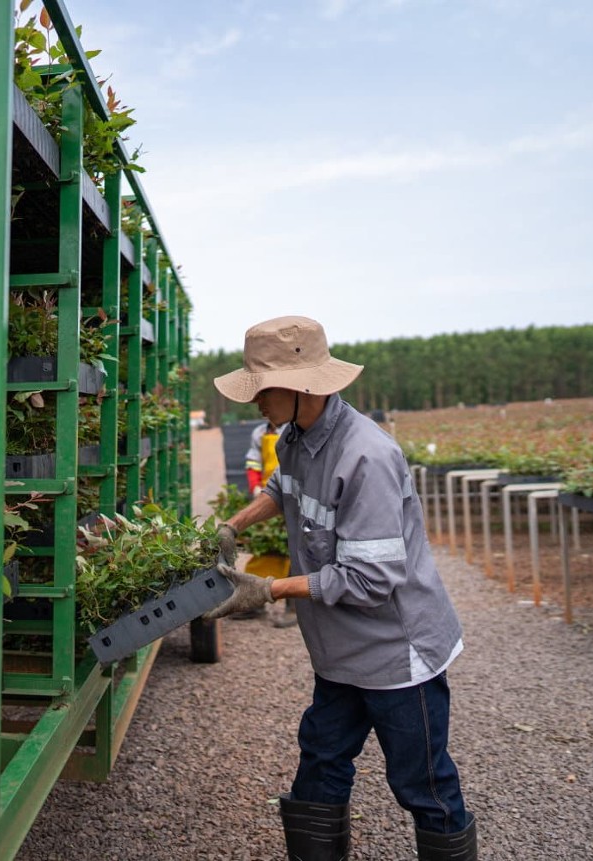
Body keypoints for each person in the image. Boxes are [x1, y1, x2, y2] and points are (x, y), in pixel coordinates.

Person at [207, 316, 476, 861]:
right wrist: (233, 524)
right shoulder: (295, 438)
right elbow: (283, 489)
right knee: (321, 761)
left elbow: (370, 578)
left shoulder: (366, 457)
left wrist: (268, 589)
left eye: (260, 388)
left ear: (302, 385)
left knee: (421, 781)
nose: (253, 401)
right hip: (340, 652)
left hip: (396, 655)